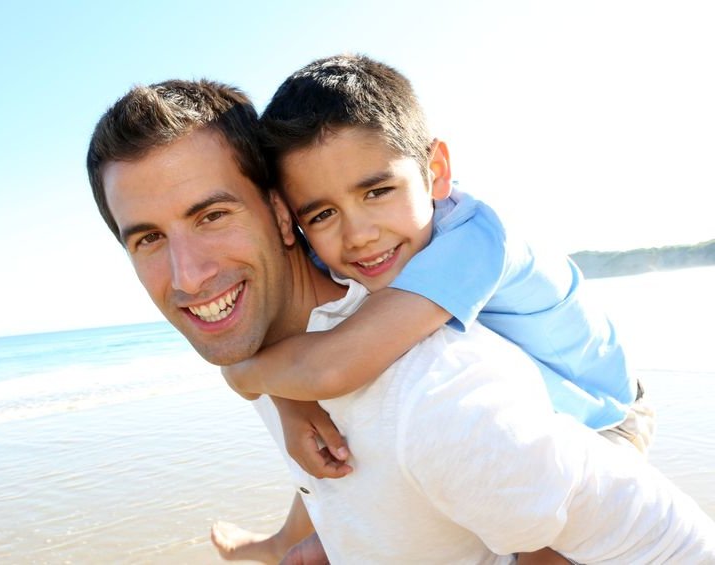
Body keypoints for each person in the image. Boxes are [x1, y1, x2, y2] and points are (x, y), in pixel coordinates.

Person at [86, 78, 715, 563]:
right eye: (146, 239)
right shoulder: (276, 310)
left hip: (602, 405)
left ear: (279, 218)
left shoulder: (442, 383)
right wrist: (278, 392)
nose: (189, 275)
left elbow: (342, 370)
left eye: (212, 216)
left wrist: (270, 380)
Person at [215, 53, 656, 561]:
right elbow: (295, 341)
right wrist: (294, 408)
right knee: (344, 441)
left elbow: (334, 365)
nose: (358, 235)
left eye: (378, 191)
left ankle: (303, 548)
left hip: (600, 414)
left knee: (544, 544)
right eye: (323, 214)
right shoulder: (343, 243)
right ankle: (282, 543)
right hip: (513, 388)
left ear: (436, 170)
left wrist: (248, 376)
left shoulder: (474, 240)